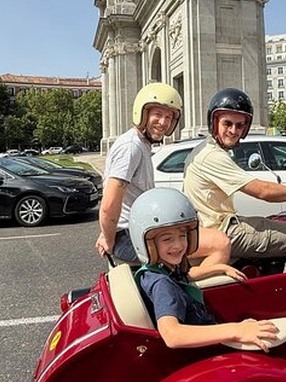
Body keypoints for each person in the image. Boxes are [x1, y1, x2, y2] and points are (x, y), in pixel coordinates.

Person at [95, 82, 231, 278]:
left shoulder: (140, 144)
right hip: (132, 237)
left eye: (169, 117)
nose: (163, 122)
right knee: (220, 242)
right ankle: (186, 291)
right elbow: (109, 205)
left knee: (191, 238)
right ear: (142, 114)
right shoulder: (131, 147)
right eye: (157, 114)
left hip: (134, 231)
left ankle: (178, 280)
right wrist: (109, 239)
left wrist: (108, 233)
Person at [183, 88, 286, 272]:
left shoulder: (207, 149)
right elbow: (262, 191)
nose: (233, 130)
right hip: (222, 230)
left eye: (239, 125)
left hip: (218, 225)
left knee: (277, 222)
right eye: (227, 123)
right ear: (214, 122)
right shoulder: (211, 156)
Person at [130, 187, 277, 351]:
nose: (178, 245)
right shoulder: (162, 285)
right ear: (149, 245)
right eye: (167, 239)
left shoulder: (158, 270)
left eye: (182, 236)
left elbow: (187, 276)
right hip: (205, 350)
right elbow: (172, 335)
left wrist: (219, 268)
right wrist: (236, 330)